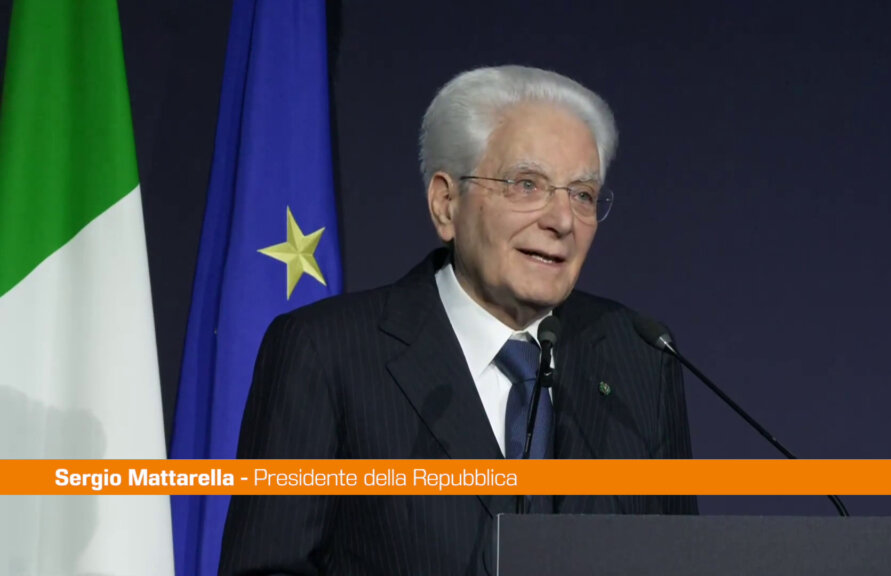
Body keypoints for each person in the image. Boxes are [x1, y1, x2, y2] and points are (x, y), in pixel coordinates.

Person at [219, 65, 697, 576]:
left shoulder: (639, 356)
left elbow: (683, 561)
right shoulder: (327, 352)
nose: (562, 220)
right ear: (446, 204)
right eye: (527, 184)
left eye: (582, 194)